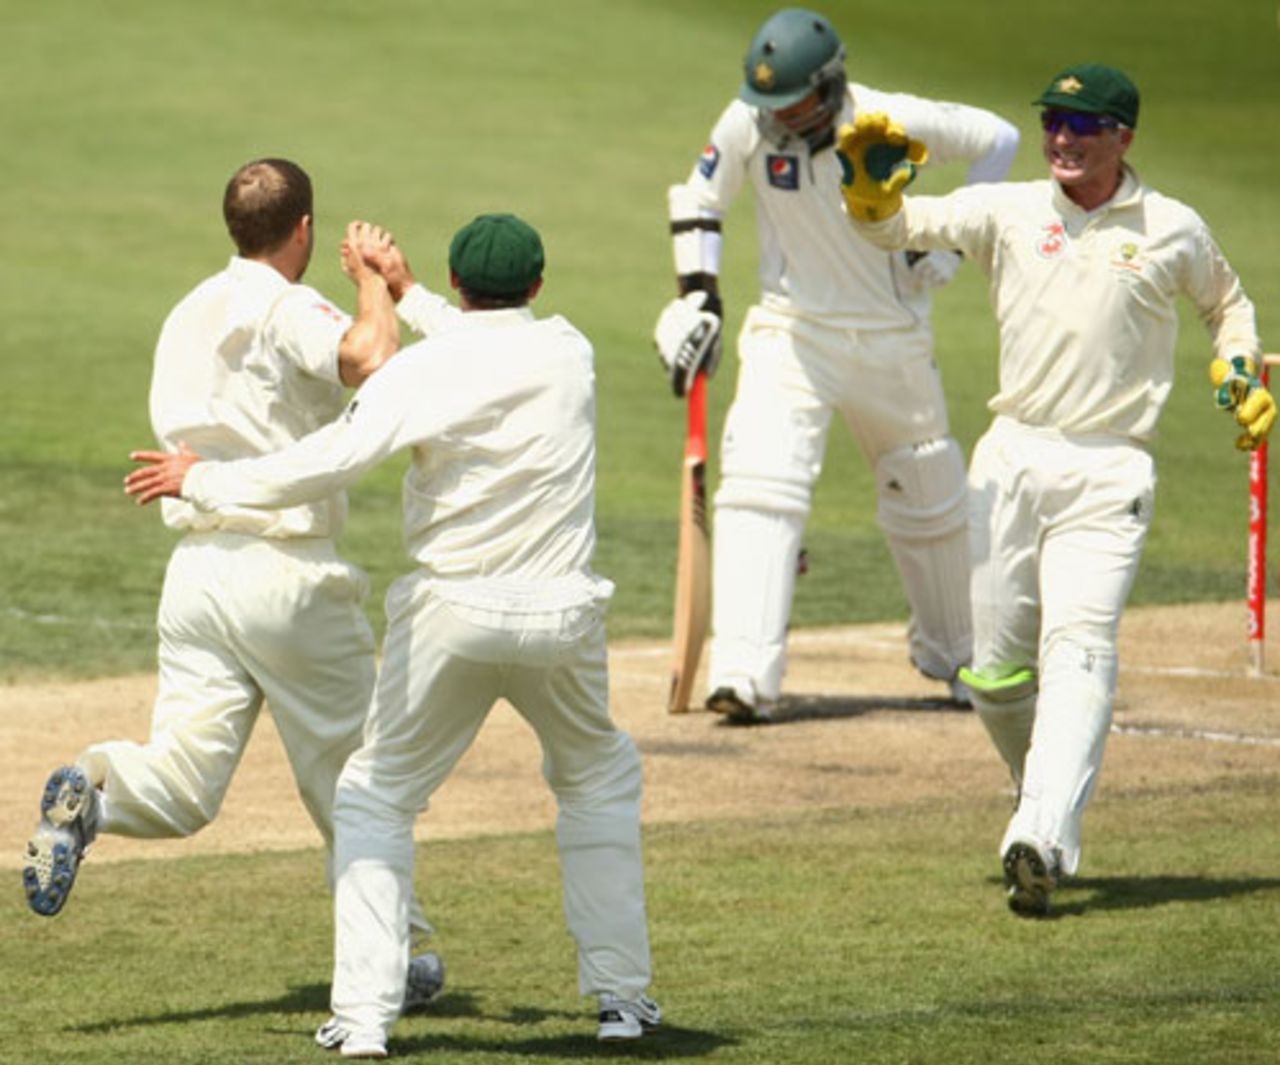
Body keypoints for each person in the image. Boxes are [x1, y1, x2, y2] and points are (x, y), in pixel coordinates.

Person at [124, 213, 660, 1057]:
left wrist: (207, 478)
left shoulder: (425, 370)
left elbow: (332, 458)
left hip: (453, 616)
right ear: (539, 285)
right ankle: (622, 1000)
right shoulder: (569, 349)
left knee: (374, 798)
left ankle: (365, 1019)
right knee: (596, 783)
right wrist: (401, 291)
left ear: (457, 281)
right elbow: (490, 342)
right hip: (563, 615)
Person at [837, 63, 1276, 915]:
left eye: (1084, 125)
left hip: (1111, 469)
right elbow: (898, 229)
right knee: (995, 676)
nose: (1063, 139)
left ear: (1124, 138)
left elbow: (1228, 304)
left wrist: (1236, 367)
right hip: (1011, 460)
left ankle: (1041, 834)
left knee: (1079, 648)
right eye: (1053, 124)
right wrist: (867, 195)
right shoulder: (1011, 210)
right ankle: (1035, 791)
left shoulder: (1171, 226)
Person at [22, 158, 444, 1011]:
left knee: (183, 780)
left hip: (197, 576)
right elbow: (367, 355)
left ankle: (96, 795)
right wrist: (372, 283)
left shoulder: (186, 310)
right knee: (358, 784)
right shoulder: (285, 306)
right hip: (285, 572)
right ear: (303, 230)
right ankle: (394, 961)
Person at [653, 7, 1021, 723]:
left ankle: (956, 656)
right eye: (768, 102)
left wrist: (945, 240)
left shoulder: (887, 117)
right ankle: (743, 673)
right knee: (760, 484)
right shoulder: (748, 122)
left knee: (927, 494)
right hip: (792, 332)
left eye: (791, 101)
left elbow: (998, 140)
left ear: (828, 85)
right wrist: (700, 298)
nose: (777, 116)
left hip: (893, 339)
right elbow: (700, 197)